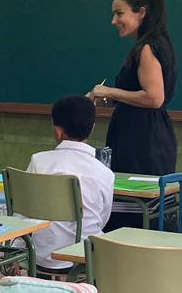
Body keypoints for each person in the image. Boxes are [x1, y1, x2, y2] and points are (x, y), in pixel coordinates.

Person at [91, 0, 179, 182]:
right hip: (141, 132)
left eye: (119, 13)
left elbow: (154, 98)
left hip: (142, 138)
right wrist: (111, 98)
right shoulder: (156, 43)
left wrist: (110, 92)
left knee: (136, 196)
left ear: (141, 13)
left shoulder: (148, 48)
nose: (114, 21)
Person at [25, 95, 115, 269]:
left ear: (58, 130)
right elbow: (103, 218)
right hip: (85, 258)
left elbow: (25, 211)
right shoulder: (105, 173)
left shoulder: (38, 162)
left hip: (40, 256)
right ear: (92, 128)